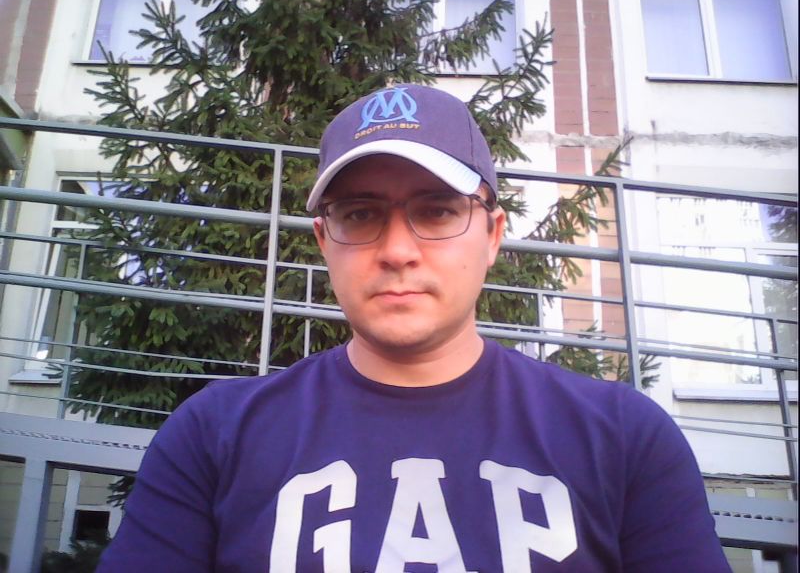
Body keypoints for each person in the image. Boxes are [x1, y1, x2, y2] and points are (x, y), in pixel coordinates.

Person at [97, 84, 731, 572]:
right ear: (323, 241)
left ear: (493, 235)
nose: (398, 250)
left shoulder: (623, 438)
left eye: (437, 211)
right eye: (360, 213)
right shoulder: (213, 435)